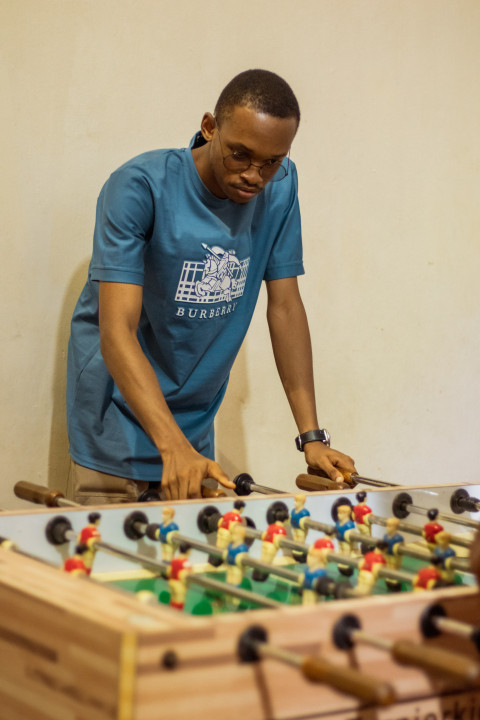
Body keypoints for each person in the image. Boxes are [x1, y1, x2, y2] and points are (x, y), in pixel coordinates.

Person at [66, 68, 357, 504]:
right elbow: (116, 332)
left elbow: (285, 308)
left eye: (271, 162)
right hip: (116, 429)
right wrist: (172, 446)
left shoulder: (280, 188)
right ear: (209, 127)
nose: (254, 176)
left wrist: (311, 436)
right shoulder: (139, 187)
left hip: (193, 433)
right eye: (240, 155)